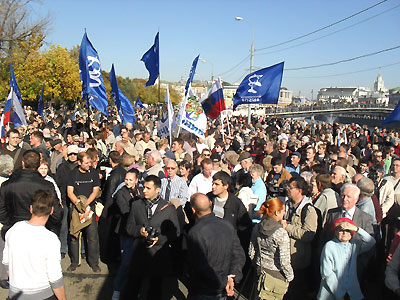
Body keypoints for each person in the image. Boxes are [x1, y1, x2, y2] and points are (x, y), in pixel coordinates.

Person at [2, 190, 67, 300]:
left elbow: (6, 263)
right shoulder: (50, 238)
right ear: (51, 211)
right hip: (43, 295)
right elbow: (54, 276)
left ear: (31, 208)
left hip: (15, 294)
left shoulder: (14, 229)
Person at [125, 175, 180, 300]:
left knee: (155, 289)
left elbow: (175, 233)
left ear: (157, 190)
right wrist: (140, 231)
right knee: (132, 287)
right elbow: (129, 227)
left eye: (148, 188)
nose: (144, 190)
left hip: (158, 255)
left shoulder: (169, 208)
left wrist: (159, 239)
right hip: (139, 254)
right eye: (144, 187)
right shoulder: (136, 205)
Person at [186, 193, 245, 300]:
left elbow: (200, 265)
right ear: (210, 204)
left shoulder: (195, 232)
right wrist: (231, 276)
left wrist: (225, 280)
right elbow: (238, 254)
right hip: (221, 289)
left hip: (203, 290)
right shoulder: (227, 225)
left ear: (193, 210)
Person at [0, 150, 63, 235]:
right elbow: (57, 212)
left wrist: (10, 223)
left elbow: (2, 210)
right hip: (38, 229)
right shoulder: (46, 185)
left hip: (15, 229)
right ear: (39, 164)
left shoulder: (7, 185)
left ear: (23, 163)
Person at [318, 217, 375, 300]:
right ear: (335, 232)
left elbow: (371, 241)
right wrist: (339, 294)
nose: (344, 233)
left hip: (352, 292)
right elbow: (327, 273)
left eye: (348, 231)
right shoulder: (329, 246)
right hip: (331, 293)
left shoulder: (354, 245)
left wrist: (356, 229)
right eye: (341, 230)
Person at [249, 197, 294, 300]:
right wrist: (290, 276)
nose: (284, 214)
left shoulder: (257, 227)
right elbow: (284, 262)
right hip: (275, 275)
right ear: (277, 213)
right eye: (283, 211)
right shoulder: (281, 234)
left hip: (259, 270)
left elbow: (251, 252)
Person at [66, 152, 101, 272]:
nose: (89, 165)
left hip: (89, 208)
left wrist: (86, 205)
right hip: (76, 208)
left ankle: (94, 262)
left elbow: (95, 191)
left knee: (92, 236)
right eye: (86, 163)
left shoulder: (94, 173)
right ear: (79, 162)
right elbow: (70, 192)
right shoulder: (72, 174)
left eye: (90, 162)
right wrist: (78, 204)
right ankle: (75, 262)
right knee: (74, 235)